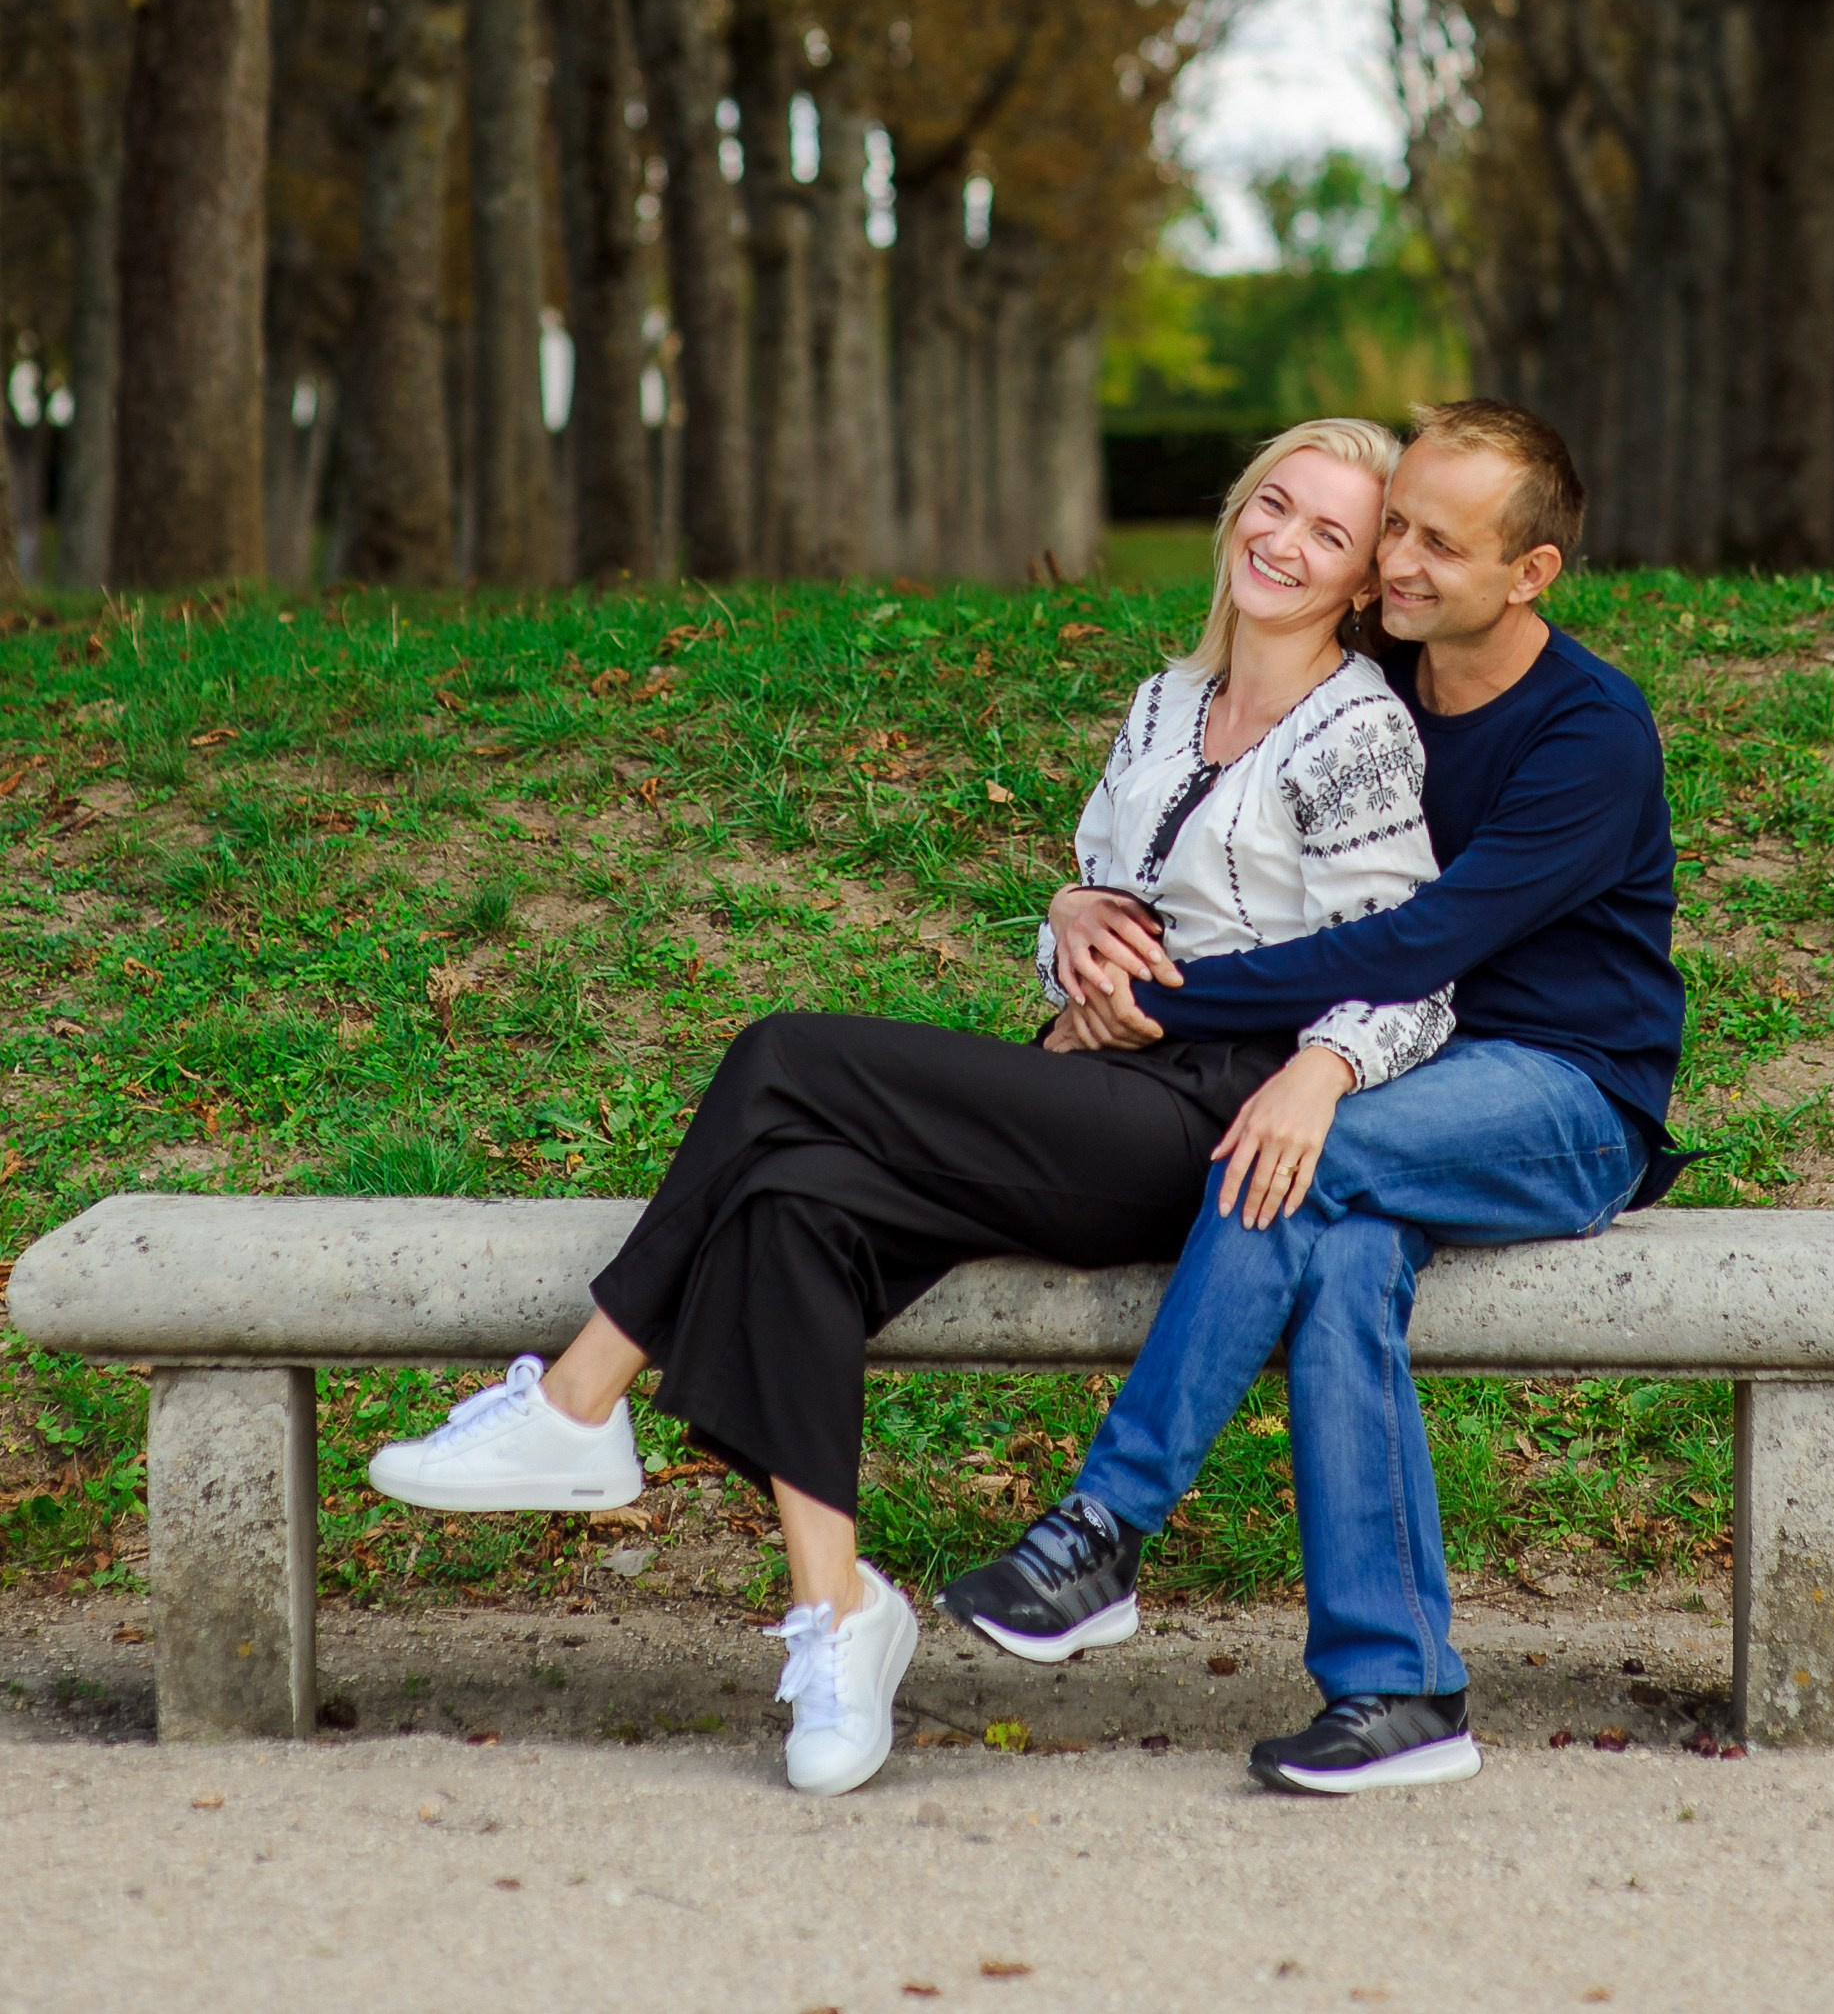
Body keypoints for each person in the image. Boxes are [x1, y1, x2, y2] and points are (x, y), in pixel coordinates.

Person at [366, 416, 1455, 1796]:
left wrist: (1320, 1069)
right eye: (1273, 504)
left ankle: (579, 1402)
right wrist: (1068, 930)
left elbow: (1415, 974)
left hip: (1219, 1123)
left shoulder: (1357, 729)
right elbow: (1099, 904)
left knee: (784, 1057)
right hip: (1095, 1083)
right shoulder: (1167, 700)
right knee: (790, 1200)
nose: (1283, 542)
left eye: (1328, 534)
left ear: (1360, 582)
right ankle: (838, 1616)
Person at [943, 397, 1686, 1798]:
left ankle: (1104, 1525)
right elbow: (1208, 848)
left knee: (1287, 1159)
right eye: (1394, 527)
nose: (1397, 564)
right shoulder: (1377, 688)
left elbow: (1416, 946)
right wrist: (1081, 912)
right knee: (1338, 1258)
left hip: (1562, 1098)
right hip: (1406, 1070)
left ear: (1529, 574)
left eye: (1441, 546)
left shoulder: (1589, 734)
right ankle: (1399, 1689)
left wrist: (1182, 1016)